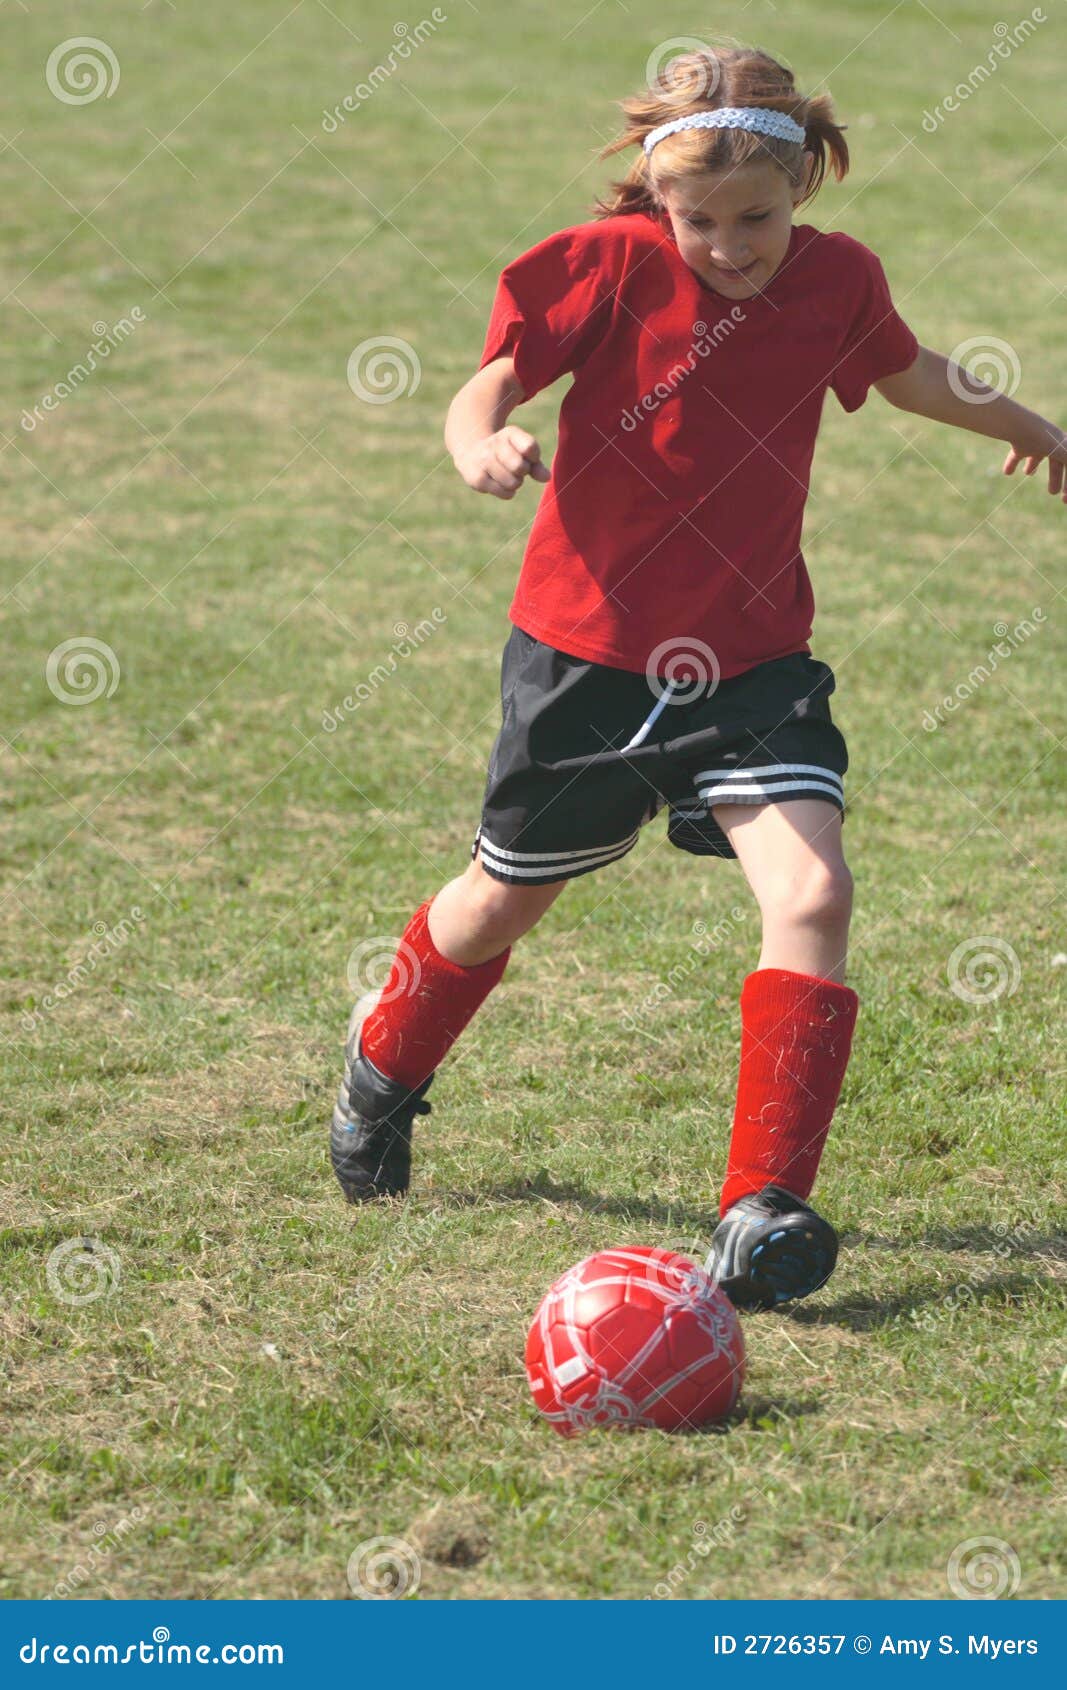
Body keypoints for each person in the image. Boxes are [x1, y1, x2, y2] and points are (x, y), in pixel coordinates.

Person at [330, 44, 1067, 1310]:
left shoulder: (836, 279)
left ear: (805, 186)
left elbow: (901, 373)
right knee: (496, 906)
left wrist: (1031, 425)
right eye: (699, 221)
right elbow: (493, 378)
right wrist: (474, 439)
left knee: (813, 887)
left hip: (753, 660)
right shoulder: (605, 266)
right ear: (655, 203)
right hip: (588, 660)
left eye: (757, 219)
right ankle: (381, 1067)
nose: (730, 246)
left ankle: (758, 1205)